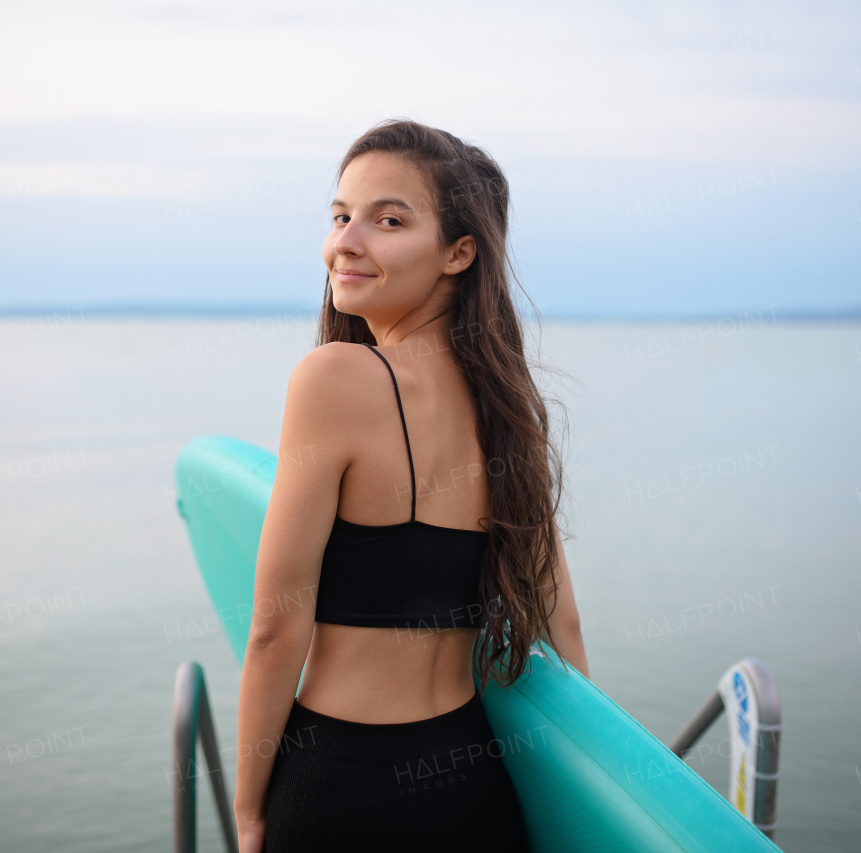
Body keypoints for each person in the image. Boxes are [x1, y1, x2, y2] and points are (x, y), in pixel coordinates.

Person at [232, 119, 589, 853]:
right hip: (475, 786)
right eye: (340, 216)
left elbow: (275, 629)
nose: (347, 241)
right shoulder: (507, 410)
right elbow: (565, 622)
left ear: (460, 252)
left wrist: (245, 808)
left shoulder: (334, 377)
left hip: (345, 784)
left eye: (387, 220)